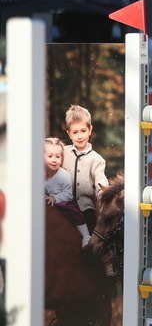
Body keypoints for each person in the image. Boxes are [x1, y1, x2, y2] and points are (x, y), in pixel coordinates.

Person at [62, 104, 110, 234]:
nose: (80, 136)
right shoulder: (63, 152)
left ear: (90, 130)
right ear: (69, 134)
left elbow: (101, 183)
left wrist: (103, 197)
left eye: (83, 131)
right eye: (75, 132)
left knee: (91, 226)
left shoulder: (96, 160)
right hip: (62, 203)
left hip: (85, 207)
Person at [44, 137, 92, 247]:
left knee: (73, 212)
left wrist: (55, 198)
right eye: (50, 156)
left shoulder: (63, 175)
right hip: (47, 201)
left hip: (63, 201)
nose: (54, 160)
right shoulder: (40, 174)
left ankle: (86, 235)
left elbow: (68, 194)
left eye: (58, 156)